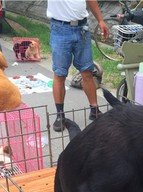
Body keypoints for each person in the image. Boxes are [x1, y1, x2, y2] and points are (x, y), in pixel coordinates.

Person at [47, 0, 109, 131]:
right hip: (60, 29)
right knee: (60, 74)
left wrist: (100, 20)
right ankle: (60, 115)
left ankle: (94, 110)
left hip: (82, 29)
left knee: (87, 71)